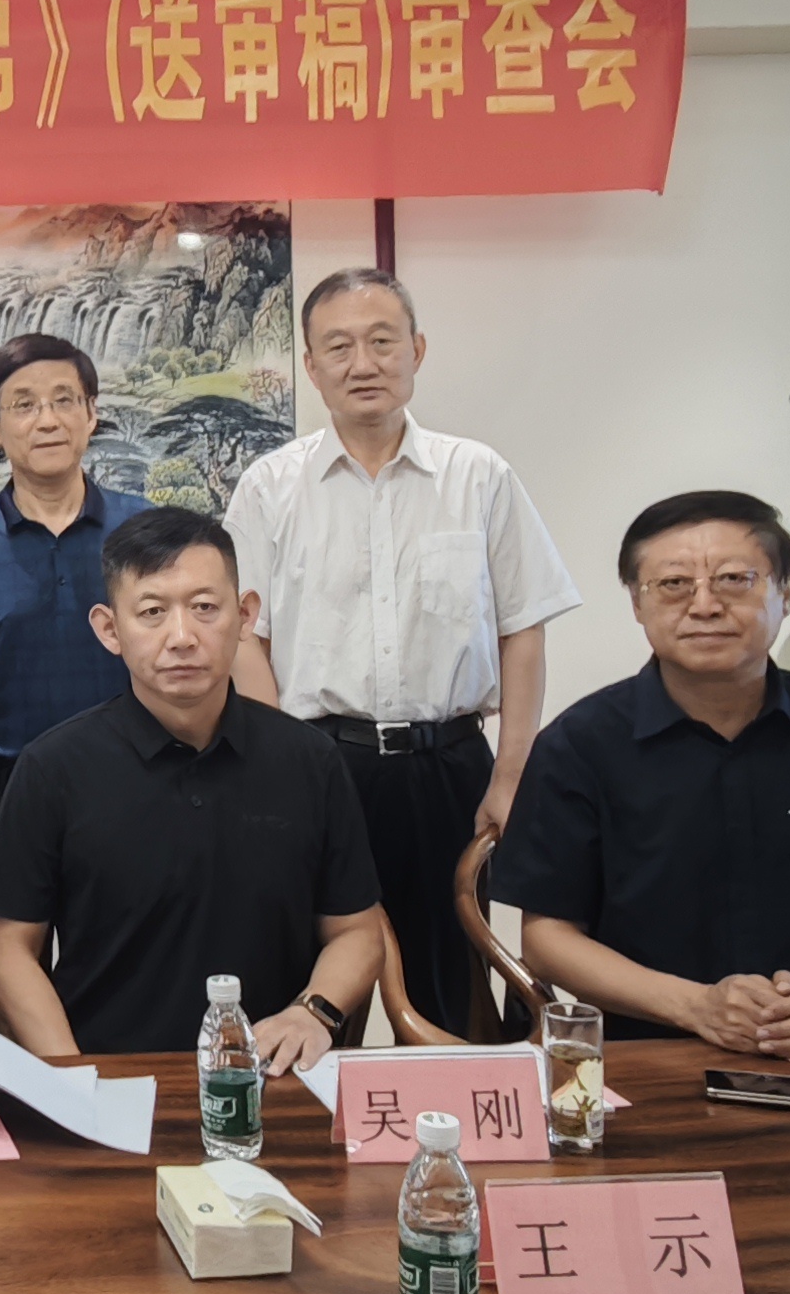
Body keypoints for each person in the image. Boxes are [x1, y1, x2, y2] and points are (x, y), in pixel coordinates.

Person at [486, 491, 790, 1055]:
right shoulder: (579, 745)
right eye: (674, 584)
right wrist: (695, 1006)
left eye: (734, 580)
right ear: (637, 603)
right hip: (644, 1056)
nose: (704, 605)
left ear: (784, 594)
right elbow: (548, 937)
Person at [229, 267, 581, 1037]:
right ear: (311, 366)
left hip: (446, 767)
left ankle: (460, 1115)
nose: (363, 363)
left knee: (453, 983)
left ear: (417, 350)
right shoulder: (269, 486)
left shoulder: (478, 476)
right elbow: (246, 640)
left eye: (382, 341)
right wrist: (277, 769)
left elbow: (522, 628)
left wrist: (511, 776)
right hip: (320, 765)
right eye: (339, 347)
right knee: (314, 985)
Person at [0, 508, 383, 1064]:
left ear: (245, 615)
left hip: (268, 1074)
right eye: (152, 612)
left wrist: (310, 1012)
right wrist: (71, 1074)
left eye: (204, 608)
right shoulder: (52, 769)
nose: (182, 637)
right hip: (106, 1075)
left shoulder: (310, 761)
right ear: (109, 629)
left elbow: (357, 931)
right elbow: (8, 947)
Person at [0, 333, 148, 846]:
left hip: (131, 784)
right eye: (24, 405)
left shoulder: (142, 527)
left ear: (91, 413)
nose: (48, 421)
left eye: (64, 400)